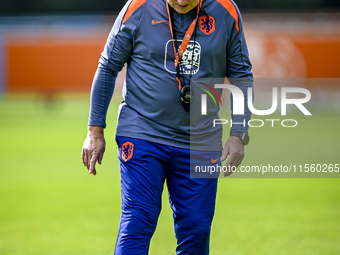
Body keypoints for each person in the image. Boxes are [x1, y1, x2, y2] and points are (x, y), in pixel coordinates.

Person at [81, 0, 253, 254]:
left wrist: (239, 133)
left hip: (201, 140)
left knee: (197, 230)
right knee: (137, 220)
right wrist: (95, 131)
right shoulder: (138, 7)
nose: (182, 2)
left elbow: (241, 74)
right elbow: (107, 67)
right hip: (142, 134)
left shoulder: (226, 10)